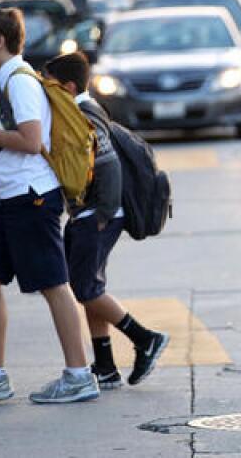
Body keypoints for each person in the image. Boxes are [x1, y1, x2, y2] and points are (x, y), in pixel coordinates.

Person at [0, 9, 99, 405]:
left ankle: (79, 374)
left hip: (32, 196)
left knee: (53, 284)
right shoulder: (1, 79)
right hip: (10, 196)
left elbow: (32, 142)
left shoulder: (20, 81)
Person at [43, 52, 170, 391]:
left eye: (51, 86)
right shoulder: (86, 109)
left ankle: (145, 339)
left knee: (84, 288)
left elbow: (108, 164)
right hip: (93, 214)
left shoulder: (83, 115)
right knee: (88, 287)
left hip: (98, 215)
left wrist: (100, 214)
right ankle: (105, 366)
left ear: (68, 87)